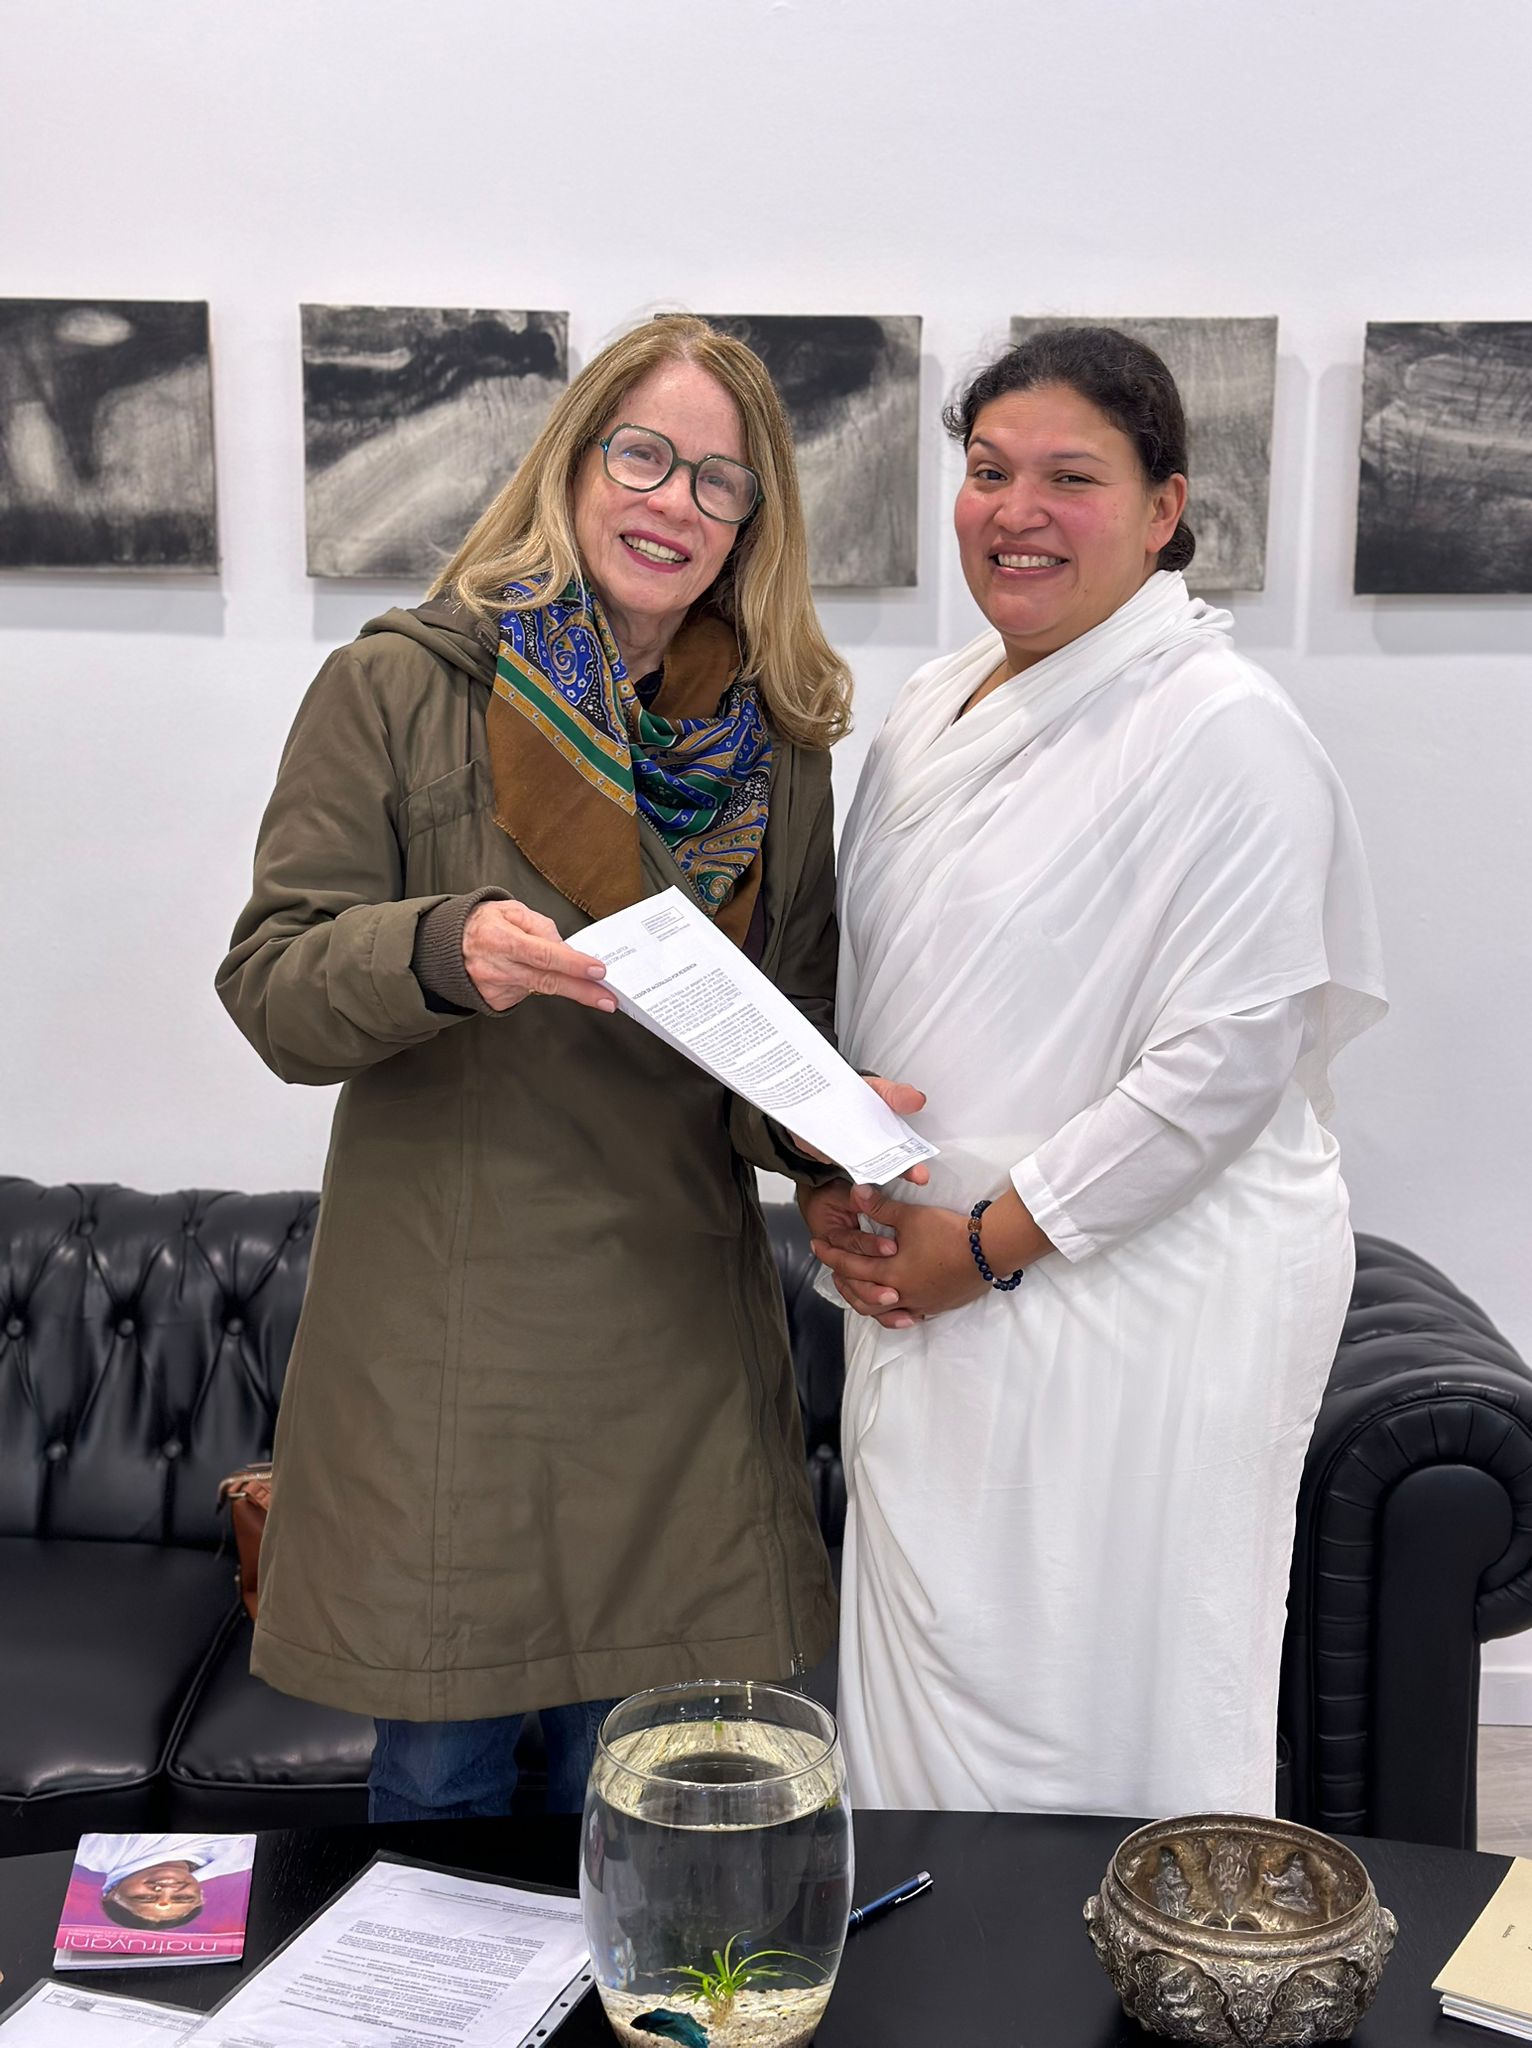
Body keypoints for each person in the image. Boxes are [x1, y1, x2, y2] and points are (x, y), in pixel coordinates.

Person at [217, 316, 910, 1822]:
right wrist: (438, 949)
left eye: (720, 482)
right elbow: (271, 987)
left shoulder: (775, 744)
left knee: (662, 1819)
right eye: (644, 456)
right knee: (447, 1806)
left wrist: (831, 1123)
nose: (674, 502)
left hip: (676, 1354)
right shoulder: (400, 687)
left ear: (753, 522)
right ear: (575, 465)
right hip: (453, 1350)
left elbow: (765, 1028)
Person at [806, 326, 1386, 1818]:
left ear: (1163, 507)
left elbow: (1225, 1062)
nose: (1018, 510)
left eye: (1072, 476)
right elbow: (887, 992)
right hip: (926, 1269)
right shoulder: (933, 709)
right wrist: (839, 1175)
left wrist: (985, 1250)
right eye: (989, 471)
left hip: (1139, 1284)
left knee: (1110, 1673)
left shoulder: (1224, 732)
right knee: (929, 1679)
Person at [74, 1834, 254, 1929]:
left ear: (111, 1893)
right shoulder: (240, 1861)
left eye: (144, 1897)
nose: (165, 1890)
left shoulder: (95, 1852)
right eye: (183, 1898)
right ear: (200, 1897)